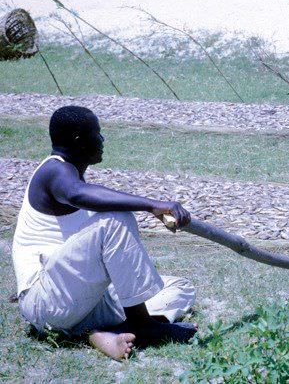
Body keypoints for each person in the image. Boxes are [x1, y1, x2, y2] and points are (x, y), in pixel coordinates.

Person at [12, 106, 198, 361]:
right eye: (97, 133)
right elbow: (77, 194)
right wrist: (152, 204)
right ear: (79, 140)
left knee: (180, 287)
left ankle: (99, 332)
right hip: (46, 302)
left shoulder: (70, 175)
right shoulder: (53, 171)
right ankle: (142, 325)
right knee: (115, 217)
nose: (102, 140)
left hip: (74, 302)